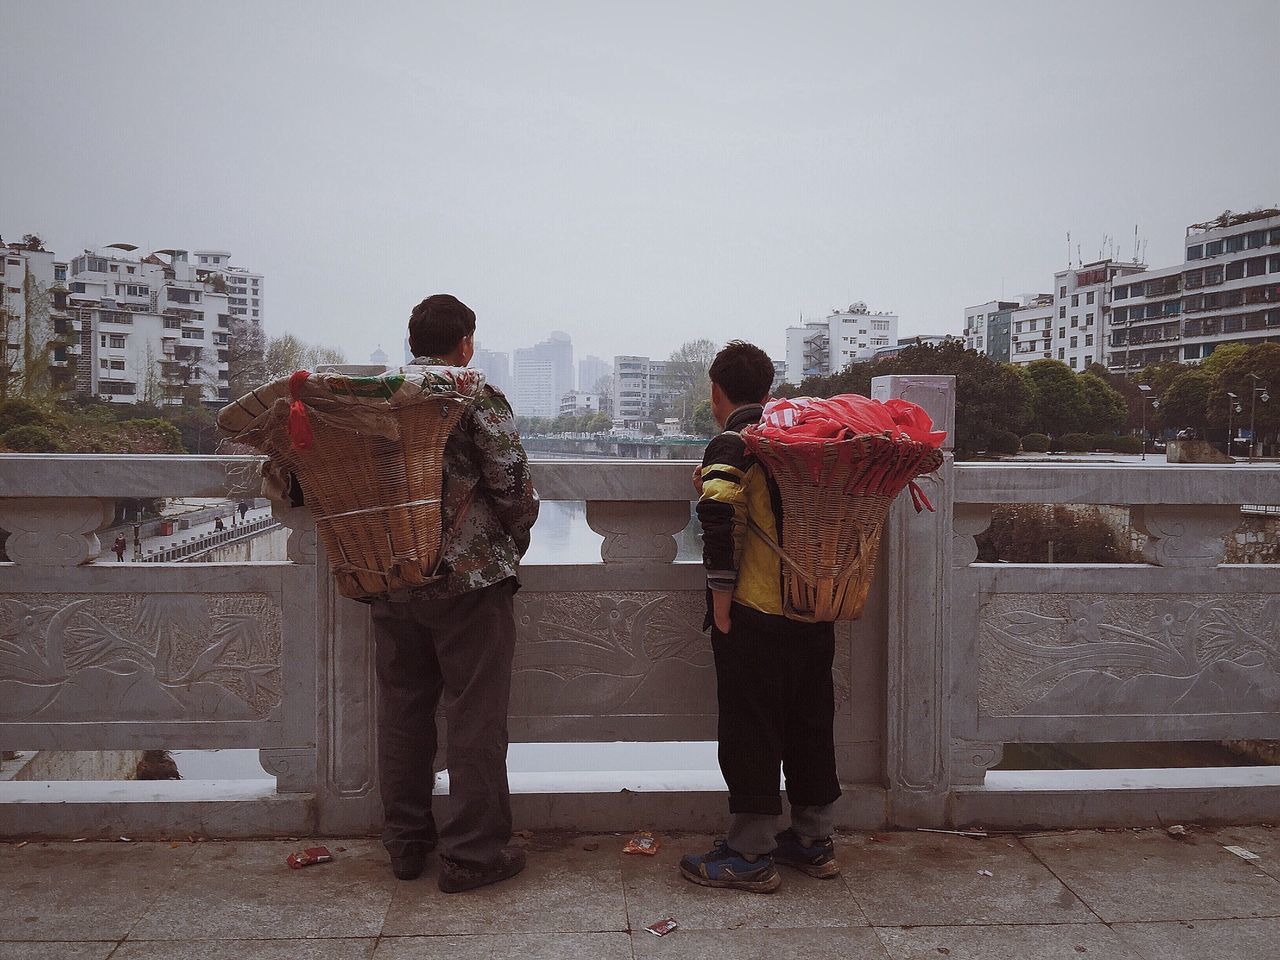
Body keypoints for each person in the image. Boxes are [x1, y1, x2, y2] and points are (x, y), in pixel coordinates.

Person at [372, 294, 539, 893]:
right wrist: (511, 540)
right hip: (468, 582)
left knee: (404, 710)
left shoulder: (373, 401)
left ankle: (407, 840)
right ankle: (473, 853)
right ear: (465, 342)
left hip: (390, 575)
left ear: (413, 341)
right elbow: (512, 484)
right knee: (474, 714)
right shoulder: (470, 393)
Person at [680, 340, 842, 894]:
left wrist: (720, 605)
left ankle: (749, 853)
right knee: (810, 723)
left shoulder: (734, 441)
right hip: (814, 607)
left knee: (750, 729)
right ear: (768, 389)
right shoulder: (799, 442)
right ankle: (813, 840)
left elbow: (720, 516)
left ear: (716, 392)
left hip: (756, 614)